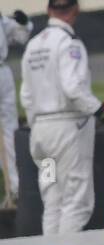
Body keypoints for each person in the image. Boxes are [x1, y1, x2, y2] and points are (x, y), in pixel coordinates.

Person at [19, 0, 104, 235]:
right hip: (66, 131)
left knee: (52, 200)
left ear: (48, 10)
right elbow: (73, 89)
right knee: (76, 201)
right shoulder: (69, 44)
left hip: (40, 136)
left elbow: (26, 95)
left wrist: (38, 122)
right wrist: (103, 112)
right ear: (76, 9)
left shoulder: (33, 45)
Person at [0, 9, 31, 205]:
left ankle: (14, 187)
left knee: (9, 131)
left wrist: (24, 22)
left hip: (3, 72)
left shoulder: (1, 19)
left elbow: (21, 35)